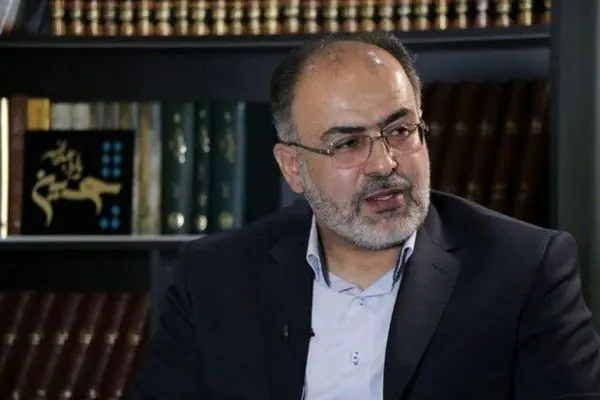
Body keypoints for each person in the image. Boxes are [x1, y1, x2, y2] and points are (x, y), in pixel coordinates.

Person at [127, 31, 600, 399]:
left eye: (400, 130)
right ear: (292, 167)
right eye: (349, 143)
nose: (384, 164)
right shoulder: (215, 277)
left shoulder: (524, 269)